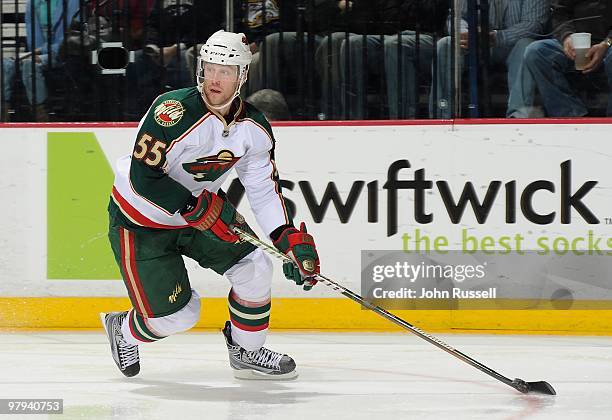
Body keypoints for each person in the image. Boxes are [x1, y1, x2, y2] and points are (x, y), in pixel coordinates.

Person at [101, 30, 321, 380]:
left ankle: (246, 351)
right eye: (210, 67)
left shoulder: (254, 129)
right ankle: (122, 329)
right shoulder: (171, 112)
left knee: (256, 267)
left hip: (199, 215)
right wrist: (190, 207)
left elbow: (263, 190)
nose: (215, 78)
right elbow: (143, 177)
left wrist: (286, 237)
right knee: (179, 317)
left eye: (226, 70)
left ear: (242, 76)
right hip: (140, 223)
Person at [431, 0, 550, 118]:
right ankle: (442, 116)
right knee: (445, 44)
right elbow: (456, 17)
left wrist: (497, 37)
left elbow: (533, 24)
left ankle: (518, 116)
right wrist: (465, 33)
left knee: (526, 46)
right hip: (474, 44)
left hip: (513, 45)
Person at [507, 0, 612, 117]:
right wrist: (566, 36)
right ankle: (571, 115)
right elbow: (559, 13)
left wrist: (606, 43)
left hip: (609, 44)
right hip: (579, 42)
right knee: (536, 51)